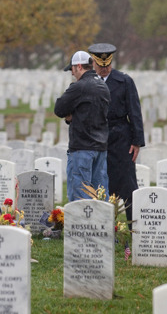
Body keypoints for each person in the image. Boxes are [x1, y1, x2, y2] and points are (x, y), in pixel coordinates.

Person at [88, 43, 145, 225]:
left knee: (128, 185)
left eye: (107, 66)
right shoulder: (87, 82)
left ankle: (131, 227)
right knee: (100, 184)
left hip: (121, 138)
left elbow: (134, 111)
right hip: (97, 137)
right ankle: (102, 227)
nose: (104, 69)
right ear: (94, 64)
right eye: (101, 66)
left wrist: (137, 142)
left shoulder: (124, 81)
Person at [54, 51, 111, 202]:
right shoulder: (103, 86)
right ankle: (101, 225)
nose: (72, 74)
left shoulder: (79, 87)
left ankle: (82, 226)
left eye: (72, 69)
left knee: (81, 196)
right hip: (101, 147)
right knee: (100, 193)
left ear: (78, 66)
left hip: (82, 148)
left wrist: (70, 116)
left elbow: (59, 109)